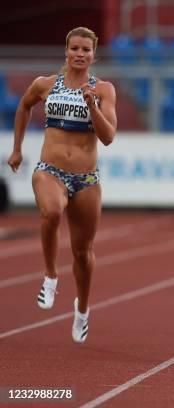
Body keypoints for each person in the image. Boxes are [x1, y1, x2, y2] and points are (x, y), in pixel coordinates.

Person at [7, 27, 117, 343]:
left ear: (94, 55)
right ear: (66, 51)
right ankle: (51, 276)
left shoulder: (104, 89)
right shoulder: (45, 84)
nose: (80, 54)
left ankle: (81, 310)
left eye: (86, 50)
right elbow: (24, 106)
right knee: (51, 213)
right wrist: (17, 148)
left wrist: (93, 106)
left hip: (86, 179)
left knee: (83, 253)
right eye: (75, 49)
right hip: (49, 170)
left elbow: (108, 137)